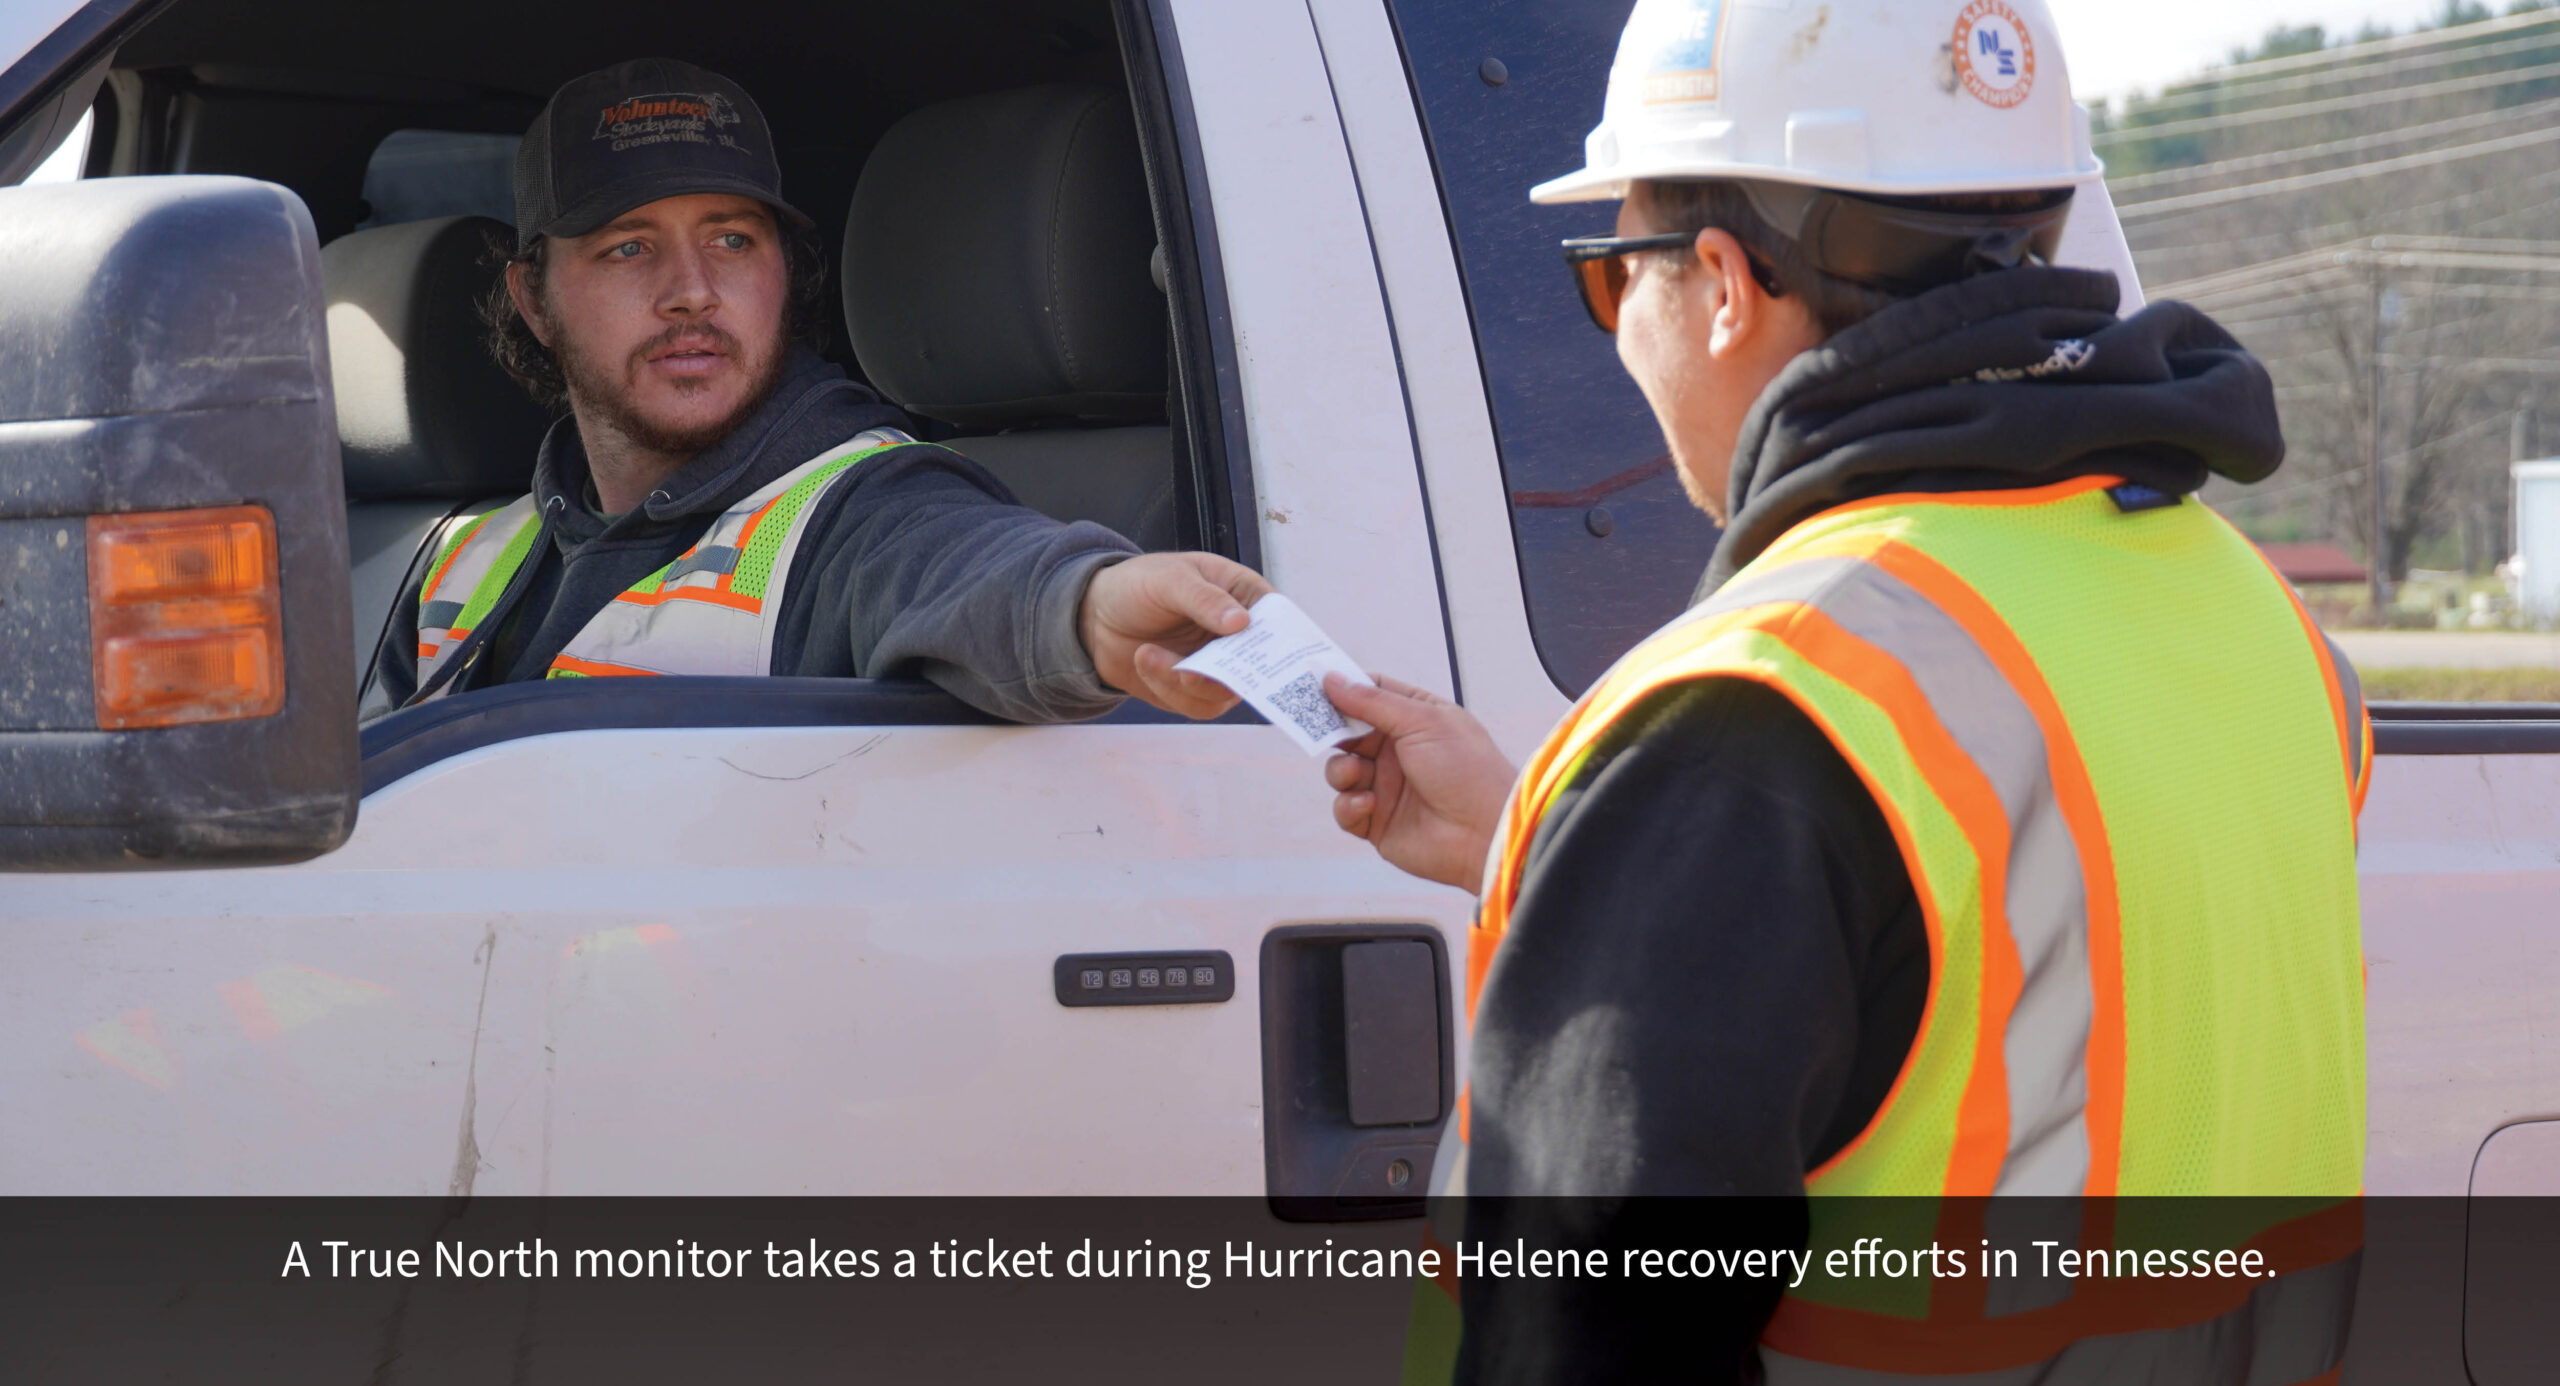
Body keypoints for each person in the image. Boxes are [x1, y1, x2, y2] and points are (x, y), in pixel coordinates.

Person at [1322, 2, 2371, 1381]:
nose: (1617, 328)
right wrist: (1597, 847)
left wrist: (1652, 842)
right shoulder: (2255, 621)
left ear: (1718, 280)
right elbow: (2005, 991)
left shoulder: (1759, 716)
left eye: (1605, 274)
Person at [368, 58, 1259, 723]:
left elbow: (962, 565)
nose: (692, 289)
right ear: (534, 300)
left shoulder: (862, 508)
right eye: (627, 247)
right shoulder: (466, 560)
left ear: (783, 276)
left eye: (732, 240)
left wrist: (1088, 604)